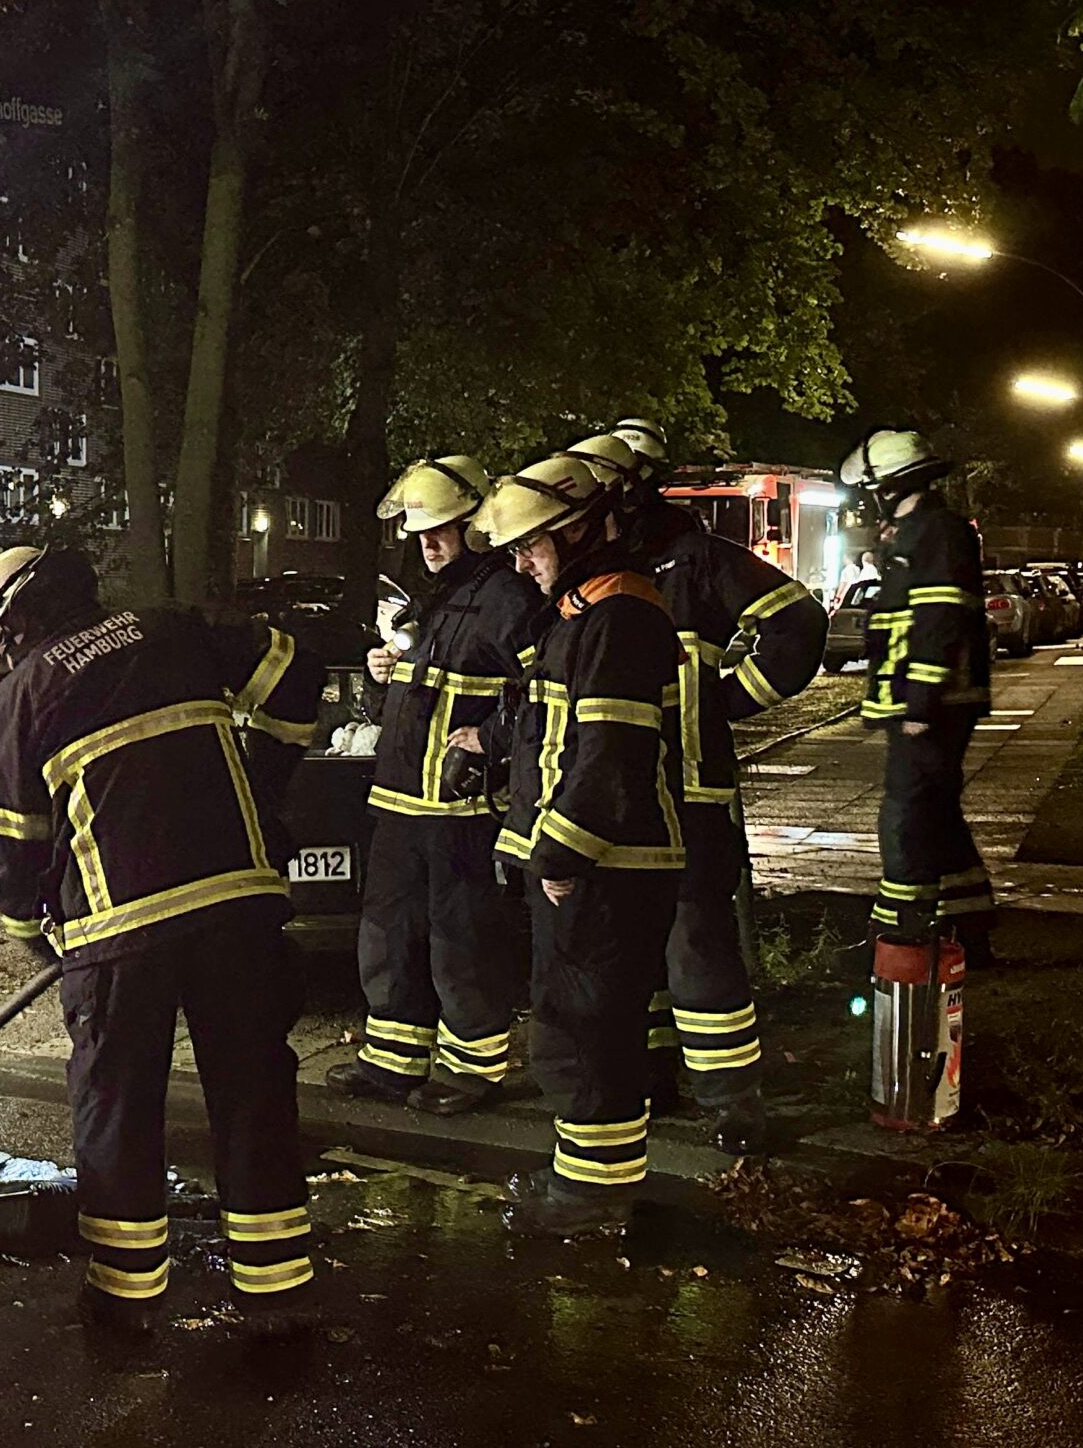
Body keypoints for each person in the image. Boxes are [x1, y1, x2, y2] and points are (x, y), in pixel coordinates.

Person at [0, 545, 323, 1330]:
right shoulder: (173, 629)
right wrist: (265, 779)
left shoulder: (24, 694)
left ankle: (126, 1296)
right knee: (253, 1089)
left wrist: (34, 933)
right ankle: (276, 1282)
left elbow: (6, 847)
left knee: (118, 1104)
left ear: (10, 619)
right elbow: (294, 667)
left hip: (119, 927)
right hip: (240, 904)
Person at [572, 424, 827, 1156]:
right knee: (633, 942)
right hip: (622, 794)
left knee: (698, 945)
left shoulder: (695, 561)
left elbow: (796, 620)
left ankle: (730, 1097)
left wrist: (728, 699)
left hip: (690, 790)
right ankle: (653, 1073)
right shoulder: (593, 572)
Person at [453, 455, 684, 1237]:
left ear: (581, 530)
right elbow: (546, 734)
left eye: (533, 545)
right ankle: (586, 1180)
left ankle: (589, 1199)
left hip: (602, 872)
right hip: (588, 870)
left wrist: (559, 857)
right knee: (575, 1028)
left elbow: (608, 761)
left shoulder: (618, 620)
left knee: (587, 1036)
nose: (521, 562)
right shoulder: (587, 614)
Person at [326, 457, 547, 1113]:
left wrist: (493, 739)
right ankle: (393, 1060)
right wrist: (382, 669)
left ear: (473, 525)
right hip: (400, 801)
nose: (428, 542)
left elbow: (543, 692)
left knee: (463, 940)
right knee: (389, 933)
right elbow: (429, 689)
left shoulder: (509, 599)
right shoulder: (437, 599)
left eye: (442, 529)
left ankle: (474, 1069)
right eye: (421, 532)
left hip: (461, 807)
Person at [840, 427, 995, 958]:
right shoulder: (917, 531)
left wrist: (921, 701)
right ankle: (969, 926)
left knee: (906, 818)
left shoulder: (935, 532)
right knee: (939, 816)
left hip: (931, 705)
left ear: (888, 484)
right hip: (922, 702)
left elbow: (939, 617)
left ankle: (903, 934)